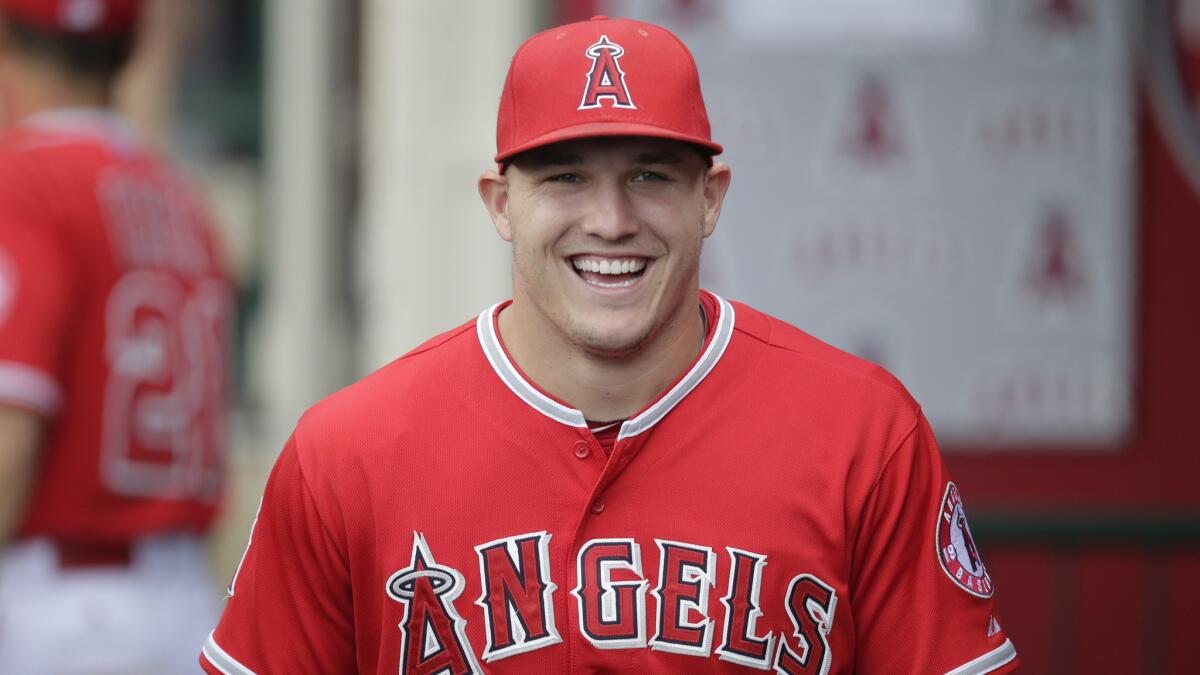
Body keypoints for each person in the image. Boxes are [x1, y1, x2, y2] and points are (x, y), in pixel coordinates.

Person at [202, 15, 1018, 675]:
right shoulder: (348, 453)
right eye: (564, 177)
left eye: (650, 175)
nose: (610, 220)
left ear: (711, 197)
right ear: (499, 203)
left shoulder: (862, 434)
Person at [0, 0, 233, 672]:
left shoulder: (23, 181)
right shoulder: (181, 197)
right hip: (184, 599)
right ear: (131, 49)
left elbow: (11, 430)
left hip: (60, 612)